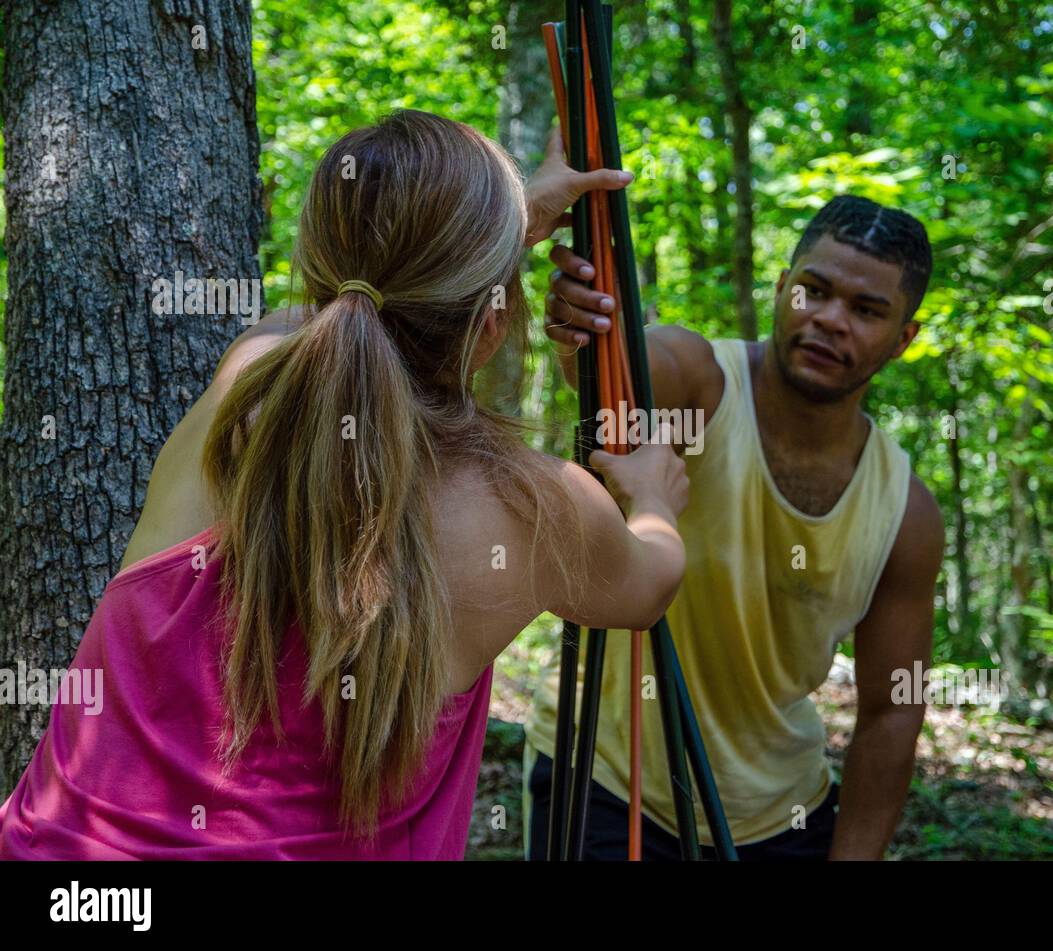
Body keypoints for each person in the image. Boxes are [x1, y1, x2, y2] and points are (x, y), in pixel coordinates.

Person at [0, 110, 688, 860]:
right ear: (490, 328)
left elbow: (353, 311)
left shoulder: (246, 382)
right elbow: (649, 582)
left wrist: (497, 235)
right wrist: (651, 495)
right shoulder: (530, 507)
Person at [525, 196, 945, 860]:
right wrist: (586, 330)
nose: (830, 320)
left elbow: (893, 711)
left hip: (781, 815)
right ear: (782, 289)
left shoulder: (905, 512)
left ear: (904, 339)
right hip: (610, 781)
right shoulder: (701, 380)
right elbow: (618, 383)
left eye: (866, 311)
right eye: (814, 291)